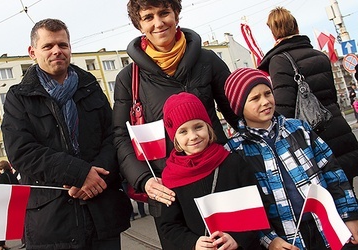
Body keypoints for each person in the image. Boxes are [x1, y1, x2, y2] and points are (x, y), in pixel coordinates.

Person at [113, 1, 238, 247]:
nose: (158, 23)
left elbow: (237, 114)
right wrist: (144, 179)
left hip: (218, 179)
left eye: (164, 13)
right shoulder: (128, 78)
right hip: (168, 192)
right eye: (148, 17)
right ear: (139, 24)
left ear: (176, 14)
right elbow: (120, 136)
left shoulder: (207, 60)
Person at [1, 18, 132, 250]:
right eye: (48, 46)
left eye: (63, 45)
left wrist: (95, 179)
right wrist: (80, 174)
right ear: (32, 52)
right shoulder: (18, 97)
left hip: (101, 214)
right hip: (52, 224)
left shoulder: (90, 86)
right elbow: (21, 152)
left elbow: (113, 138)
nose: (56, 51)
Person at [224, 68, 358, 249]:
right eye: (255, 98)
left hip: (327, 227)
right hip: (287, 239)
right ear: (239, 106)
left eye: (268, 93)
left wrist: (349, 216)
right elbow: (245, 207)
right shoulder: (235, 150)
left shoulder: (299, 129)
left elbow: (333, 172)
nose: (265, 101)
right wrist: (269, 239)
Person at [258, 7, 358, 189]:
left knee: (330, 205)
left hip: (312, 140)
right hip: (338, 129)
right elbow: (331, 98)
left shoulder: (279, 61)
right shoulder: (320, 56)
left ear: (273, 34)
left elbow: (284, 109)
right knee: (348, 196)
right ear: (296, 27)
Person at [159, 92, 260, 250]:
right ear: (174, 137)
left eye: (198, 127)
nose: (193, 136)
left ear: (208, 127)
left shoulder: (233, 163)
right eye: (183, 131)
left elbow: (257, 210)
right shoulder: (171, 177)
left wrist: (238, 239)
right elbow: (170, 226)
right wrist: (192, 242)